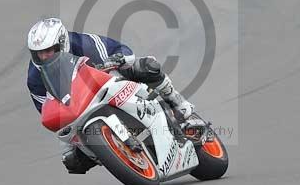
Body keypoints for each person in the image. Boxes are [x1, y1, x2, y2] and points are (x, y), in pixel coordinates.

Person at [26, 17, 194, 173]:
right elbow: (46, 110)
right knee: (71, 161)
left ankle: (177, 101)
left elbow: (122, 50)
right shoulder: (35, 78)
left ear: (62, 43)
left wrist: (116, 59)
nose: (44, 56)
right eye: (38, 53)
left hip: (112, 81)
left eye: (49, 50)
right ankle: (111, 152)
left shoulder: (84, 43)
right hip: (80, 106)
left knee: (147, 66)